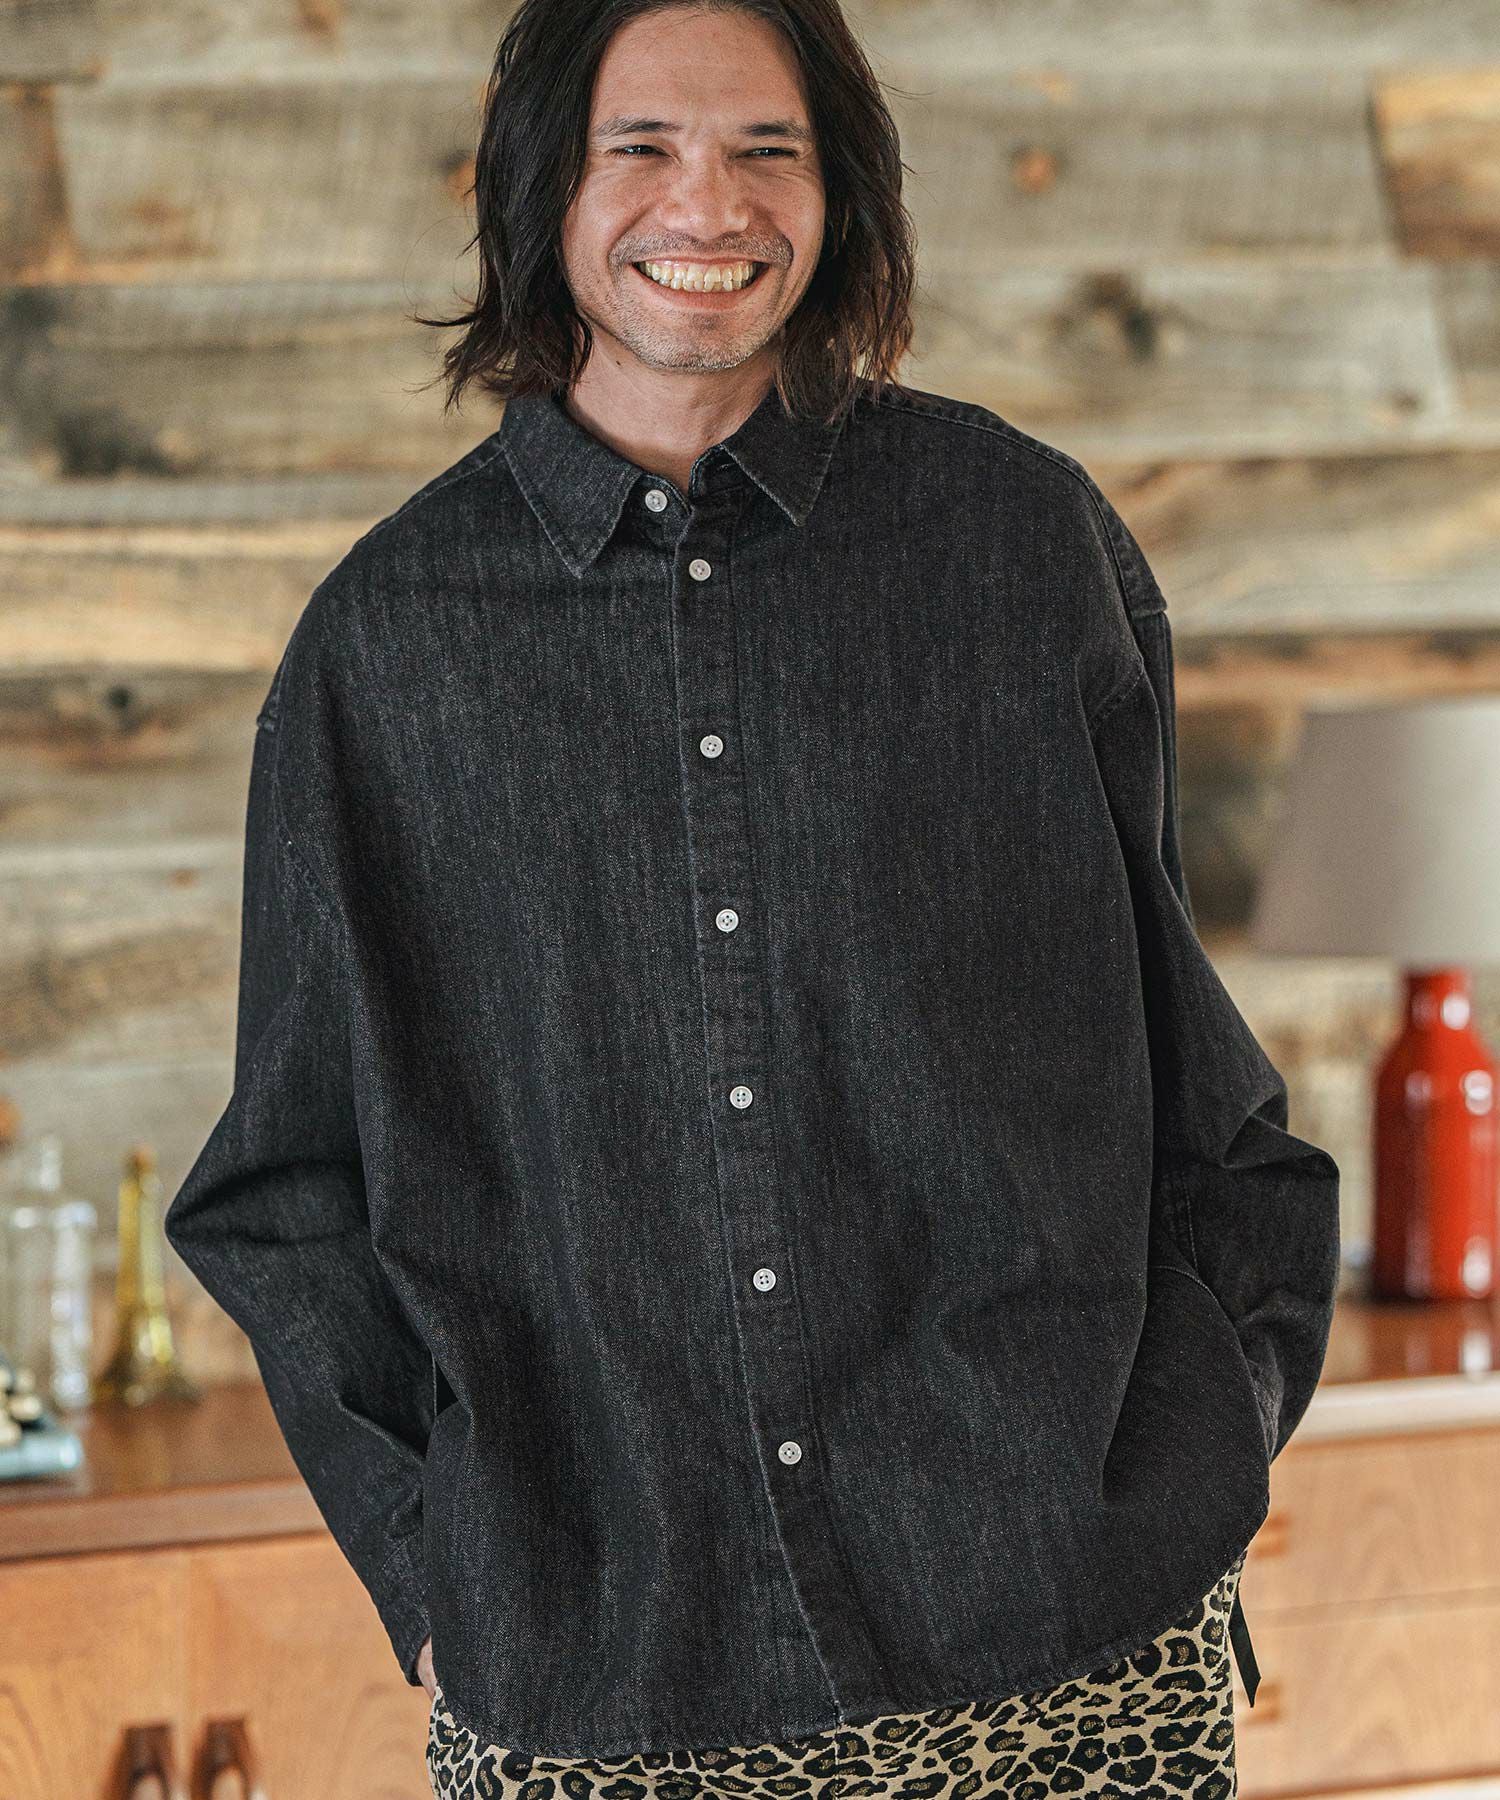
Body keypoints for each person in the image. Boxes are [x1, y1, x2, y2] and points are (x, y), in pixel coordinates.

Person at [164, 0, 1342, 1793]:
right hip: (609, 1684)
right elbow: (281, 1193)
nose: (707, 205)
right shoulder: (384, 654)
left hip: (1070, 1629)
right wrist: (441, 1578)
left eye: (766, 150)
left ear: (838, 189)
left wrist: (1215, 1428)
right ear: (542, 191)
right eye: (640, 147)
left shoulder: (1021, 547)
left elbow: (1189, 1069)